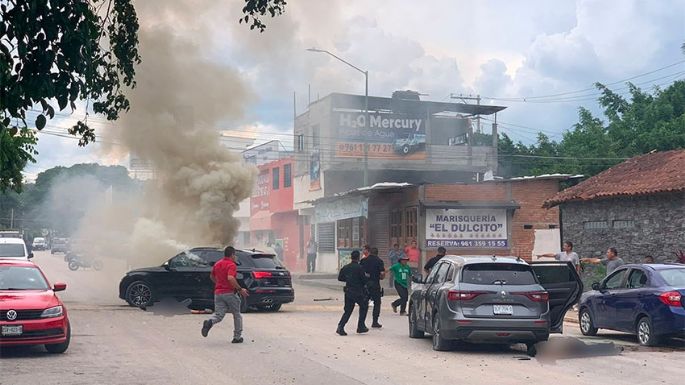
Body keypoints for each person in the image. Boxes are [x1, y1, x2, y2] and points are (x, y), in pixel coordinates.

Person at [201, 246, 249, 343]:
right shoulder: (231, 265)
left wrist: (219, 283)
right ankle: (237, 337)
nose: (235, 257)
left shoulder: (218, 263)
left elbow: (212, 276)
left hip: (218, 293)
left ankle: (210, 321)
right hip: (230, 293)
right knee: (237, 315)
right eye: (235, 255)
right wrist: (239, 289)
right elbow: (230, 278)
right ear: (232, 255)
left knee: (219, 315)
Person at [336, 250, 369, 336]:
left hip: (348, 291)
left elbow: (340, 278)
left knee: (348, 310)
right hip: (358, 292)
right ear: (358, 258)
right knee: (364, 306)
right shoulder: (360, 268)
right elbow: (364, 280)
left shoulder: (346, 267)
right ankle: (361, 326)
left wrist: (348, 279)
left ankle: (340, 326)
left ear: (351, 257)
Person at [360, 247, 385, 328]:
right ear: (377, 253)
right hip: (375, 284)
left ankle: (362, 322)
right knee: (377, 303)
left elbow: (360, 272)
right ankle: (375, 322)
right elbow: (382, 273)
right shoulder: (379, 261)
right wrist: (381, 277)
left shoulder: (363, 260)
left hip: (365, 285)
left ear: (370, 252)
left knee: (364, 303)